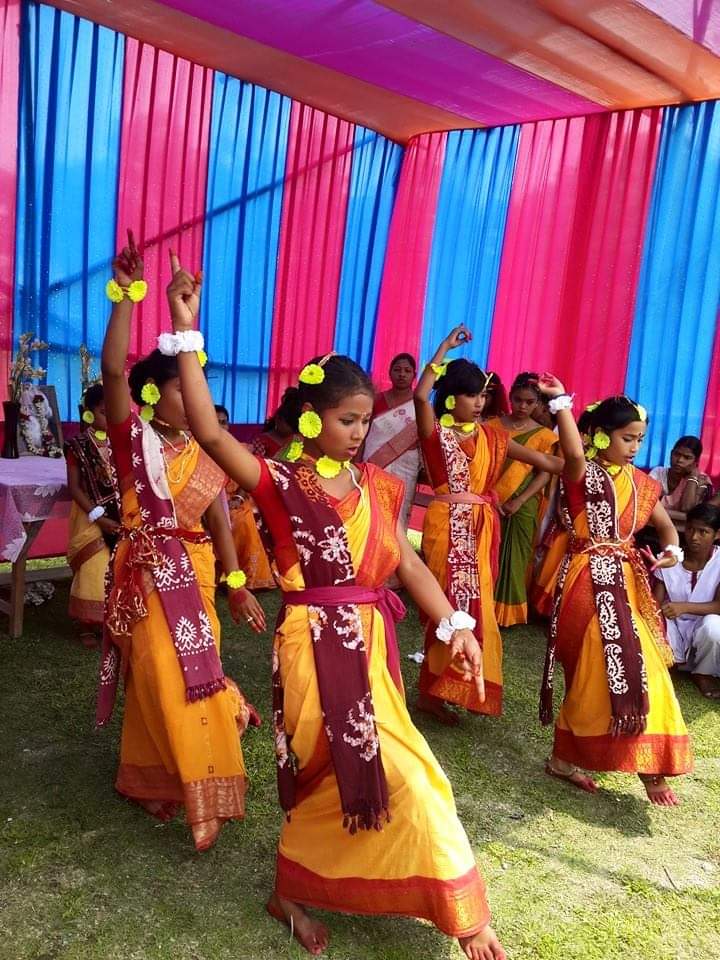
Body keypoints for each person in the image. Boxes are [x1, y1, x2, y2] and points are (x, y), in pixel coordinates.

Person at [167, 253, 505, 960]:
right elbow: (209, 432)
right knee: (332, 767)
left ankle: (432, 901)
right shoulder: (278, 480)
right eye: (347, 420)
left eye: (363, 421)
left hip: (371, 647)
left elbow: (408, 562)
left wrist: (455, 625)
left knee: (407, 771)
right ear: (310, 417)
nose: (358, 432)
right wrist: (186, 328)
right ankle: (294, 891)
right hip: (311, 643)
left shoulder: (378, 486)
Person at [96, 231, 264, 852]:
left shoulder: (206, 447)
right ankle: (194, 787)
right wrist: (127, 296)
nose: (193, 397)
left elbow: (219, 519)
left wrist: (238, 584)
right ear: (153, 394)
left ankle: (154, 777)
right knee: (163, 674)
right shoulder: (133, 439)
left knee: (196, 670)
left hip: (197, 570)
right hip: (147, 568)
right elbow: (112, 369)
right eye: (179, 388)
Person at [536, 379, 693, 805]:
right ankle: (565, 758)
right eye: (627, 438)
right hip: (585, 579)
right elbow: (573, 453)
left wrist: (673, 552)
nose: (635, 447)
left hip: (626, 582)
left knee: (642, 664)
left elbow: (666, 528)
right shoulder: (582, 474)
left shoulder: (641, 483)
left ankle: (646, 764)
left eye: (640, 439)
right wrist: (561, 402)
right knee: (591, 669)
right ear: (602, 436)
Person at [415, 328, 562, 724]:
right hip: (446, 528)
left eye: (483, 395)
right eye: (472, 395)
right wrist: (444, 349)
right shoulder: (435, 433)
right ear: (451, 398)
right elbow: (420, 396)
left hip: (480, 531)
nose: (480, 403)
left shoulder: (492, 437)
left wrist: (563, 411)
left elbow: (551, 464)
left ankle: (455, 686)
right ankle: (431, 691)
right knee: (446, 609)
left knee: (477, 609)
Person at [486, 373, 557, 627]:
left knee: (516, 556)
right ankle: (483, 606)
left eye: (529, 402)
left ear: (538, 403)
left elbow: (545, 473)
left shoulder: (545, 436)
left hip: (524, 503)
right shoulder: (491, 426)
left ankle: (509, 614)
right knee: (487, 552)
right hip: (490, 498)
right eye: (517, 400)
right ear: (510, 397)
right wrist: (491, 496)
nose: (522, 407)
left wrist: (520, 500)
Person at [64, 383, 120, 647]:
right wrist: (99, 516)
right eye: (103, 412)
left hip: (119, 512)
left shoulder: (122, 442)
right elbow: (74, 487)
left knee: (117, 564)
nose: (109, 418)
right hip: (89, 513)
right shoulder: (77, 445)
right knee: (93, 565)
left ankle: (111, 620)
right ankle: (87, 623)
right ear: (89, 412)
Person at [653, 503, 720, 699]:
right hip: (674, 626)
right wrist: (662, 612)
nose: (694, 537)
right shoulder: (668, 559)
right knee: (656, 620)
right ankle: (669, 667)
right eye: (690, 529)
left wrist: (684, 607)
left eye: (703, 532)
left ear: (717, 534)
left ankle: (703, 673)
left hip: (705, 632)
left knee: (714, 626)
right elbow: (655, 603)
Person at [363, 353, 421, 532]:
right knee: (372, 507)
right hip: (374, 461)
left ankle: (396, 548)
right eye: (397, 370)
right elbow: (363, 433)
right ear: (389, 372)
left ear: (414, 375)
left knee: (398, 510)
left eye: (407, 371)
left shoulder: (421, 405)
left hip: (406, 465)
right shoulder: (376, 400)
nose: (402, 374)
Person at [649, 436, 713, 533]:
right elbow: (645, 502)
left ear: (696, 461)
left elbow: (686, 508)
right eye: (677, 454)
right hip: (651, 527)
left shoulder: (702, 480)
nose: (679, 460)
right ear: (671, 454)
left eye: (687, 457)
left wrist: (692, 478)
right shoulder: (658, 472)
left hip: (684, 534)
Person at [253, 387, 300, 458]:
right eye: (289, 424)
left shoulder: (297, 441)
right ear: (278, 419)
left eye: (294, 428)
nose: (291, 430)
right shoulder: (261, 441)